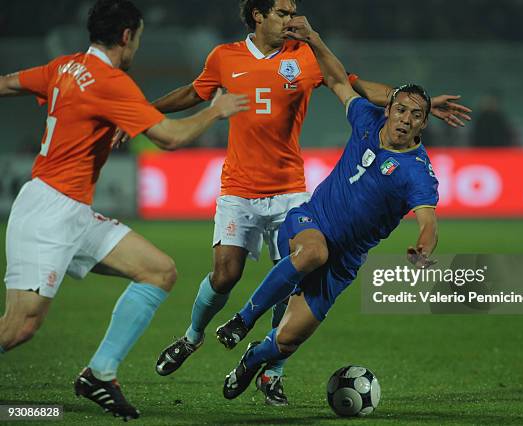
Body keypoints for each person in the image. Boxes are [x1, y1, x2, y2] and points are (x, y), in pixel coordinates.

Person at [144, 0, 465, 406]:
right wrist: (143, 112)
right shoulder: (225, 57)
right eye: (282, 11)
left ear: (420, 122)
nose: (291, 18)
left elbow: (352, 84)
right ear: (258, 15)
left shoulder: (305, 59)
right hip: (243, 189)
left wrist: (425, 104)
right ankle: (196, 336)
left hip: (290, 190)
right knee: (230, 274)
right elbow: (195, 91)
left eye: (412, 115)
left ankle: (267, 369)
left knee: (292, 305)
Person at [0, 0, 248, 420]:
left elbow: (6, 83)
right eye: (139, 39)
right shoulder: (109, 81)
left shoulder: (65, 67)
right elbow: (168, 138)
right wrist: (214, 112)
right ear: (127, 36)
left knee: (159, 270)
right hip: (47, 214)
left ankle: (100, 374)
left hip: (72, 210)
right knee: (20, 326)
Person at [216, 15, 439, 401]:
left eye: (415, 115)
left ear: (422, 125)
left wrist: (423, 248)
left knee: (285, 342)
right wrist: (314, 38)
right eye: (400, 109)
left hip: (344, 262)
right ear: (388, 108)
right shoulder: (367, 119)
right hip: (309, 221)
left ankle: (254, 359)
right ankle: (242, 320)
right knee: (313, 252)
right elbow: (337, 80)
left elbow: (428, 219)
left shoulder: (418, 173)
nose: (405, 119)